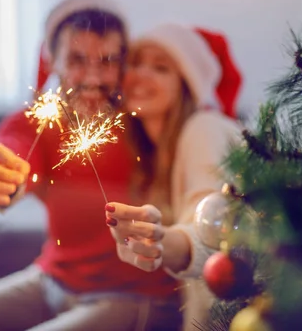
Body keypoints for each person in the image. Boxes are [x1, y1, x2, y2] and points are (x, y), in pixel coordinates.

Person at [0, 0, 182, 331]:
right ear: (51, 60)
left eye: (107, 61)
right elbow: (16, 153)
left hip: (133, 297)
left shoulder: (148, 124)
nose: (92, 78)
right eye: (76, 60)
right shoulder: (36, 123)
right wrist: (0, 176)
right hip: (51, 280)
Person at [104, 23, 244, 330]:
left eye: (161, 67)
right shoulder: (156, 156)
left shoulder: (203, 128)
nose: (140, 75)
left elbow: (213, 229)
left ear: (186, 84)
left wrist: (163, 243)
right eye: (136, 63)